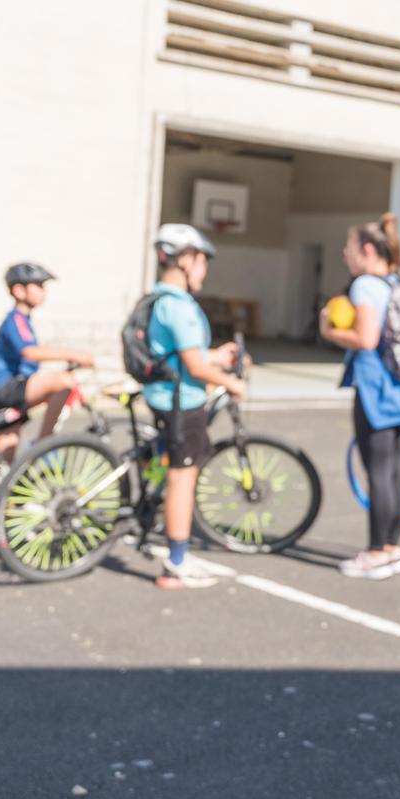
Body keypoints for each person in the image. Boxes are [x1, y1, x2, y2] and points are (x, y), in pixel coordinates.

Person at [319, 212, 400, 580]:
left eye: (348, 249)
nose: (345, 255)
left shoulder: (364, 285)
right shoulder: (396, 282)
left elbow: (365, 339)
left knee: (378, 472)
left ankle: (376, 552)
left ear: (365, 250)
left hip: (376, 388)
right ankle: (392, 548)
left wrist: (329, 330)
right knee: (394, 470)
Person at [144, 224, 247, 590]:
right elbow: (195, 367)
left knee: (168, 466)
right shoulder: (178, 306)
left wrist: (217, 356)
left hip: (165, 398)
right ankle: (175, 564)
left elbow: (189, 355)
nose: (204, 271)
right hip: (181, 404)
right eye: (202, 262)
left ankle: (151, 518)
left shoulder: (161, 299)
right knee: (181, 480)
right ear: (185, 260)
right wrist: (232, 381)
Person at [0, 262, 101, 466]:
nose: (43, 292)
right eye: (38, 286)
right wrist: (75, 355)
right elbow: (30, 352)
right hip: (7, 387)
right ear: (19, 290)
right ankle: (43, 444)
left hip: (14, 389)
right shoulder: (16, 319)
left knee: (6, 462)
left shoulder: (24, 320)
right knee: (64, 382)